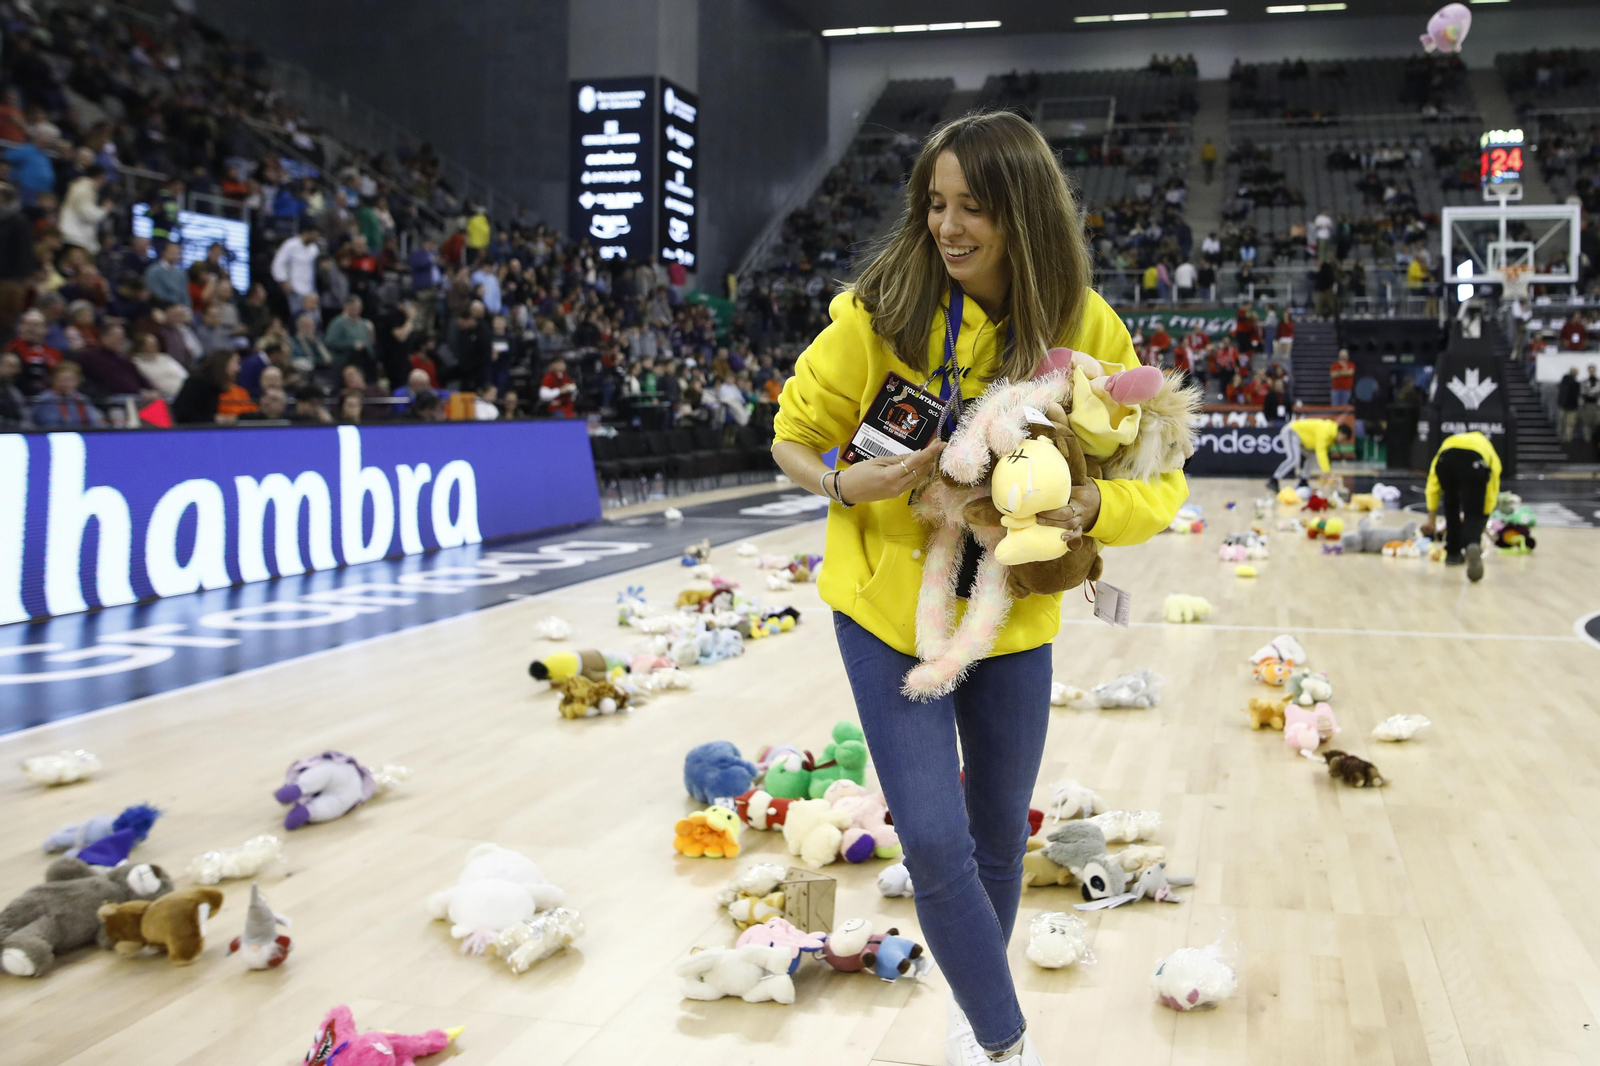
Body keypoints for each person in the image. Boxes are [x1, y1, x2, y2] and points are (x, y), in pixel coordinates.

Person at [769, 112, 1185, 1066]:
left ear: (1026, 215)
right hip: (885, 613)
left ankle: (968, 1015)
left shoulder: (1084, 326)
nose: (948, 228)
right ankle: (1005, 1044)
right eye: (935, 204)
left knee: (1000, 833)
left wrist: (1087, 510)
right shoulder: (878, 310)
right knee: (933, 837)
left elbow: (1161, 479)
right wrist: (839, 481)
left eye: (974, 209)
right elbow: (792, 432)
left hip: (1012, 619)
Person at [1421, 431, 1501, 581]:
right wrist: (1483, 519)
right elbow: (1492, 490)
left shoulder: (1449, 441)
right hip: (1474, 462)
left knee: (1451, 503)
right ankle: (1472, 543)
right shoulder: (1486, 447)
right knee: (1473, 510)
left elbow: (1433, 485)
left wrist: (1431, 520)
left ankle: (1453, 553)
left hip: (1446, 460)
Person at [1267, 416, 1354, 491]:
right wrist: (1326, 472)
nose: (1341, 441)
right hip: (1292, 431)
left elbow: (1326, 456)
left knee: (1311, 456)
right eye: (1343, 439)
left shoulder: (1332, 436)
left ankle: (1304, 481)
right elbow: (1321, 452)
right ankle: (1274, 479)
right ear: (1341, 433)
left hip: (1301, 439)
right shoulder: (1326, 430)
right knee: (1294, 459)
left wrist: (1329, 472)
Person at [171, 350, 241, 425]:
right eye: (235, 363)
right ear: (223, 364)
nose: (238, 368)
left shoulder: (215, 386)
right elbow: (183, 415)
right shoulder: (197, 383)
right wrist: (215, 419)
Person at [5, 308, 62, 395]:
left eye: (36, 325)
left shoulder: (54, 354)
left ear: (46, 329)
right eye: (27, 324)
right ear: (20, 327)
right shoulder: (9, 350)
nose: (31, 329)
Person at [30, 361, 105, 427]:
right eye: (63, 379)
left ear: (78, 381)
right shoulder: (46, 400)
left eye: (71, 379)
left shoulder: (82, 399)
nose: (66, 383)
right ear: (53, 379)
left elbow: (93, 422)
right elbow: (49, 425)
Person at [59, 165, 110, 254]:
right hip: (75, 238)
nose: (104, 182)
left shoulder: (79, 186)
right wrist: (105, 209)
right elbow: (88, 215)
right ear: (99, 177)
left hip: (73, 236)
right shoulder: (84, 188)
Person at [271, 223, 321, 304]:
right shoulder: (290, 245)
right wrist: (283, 280)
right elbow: (278, 264)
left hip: (309, 290)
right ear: (307, 233)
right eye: (314, 235)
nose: (316, 238)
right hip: (293, 288)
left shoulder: (314, 249)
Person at [326, 295, 376, 374]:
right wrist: (352, 345)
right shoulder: (338, 322)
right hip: (345, 363)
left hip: (365, 363)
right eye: (354, 307)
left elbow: (371, 342)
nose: (357, 310)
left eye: (359, 307)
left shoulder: (365, 323)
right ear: (346, 306)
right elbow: (331, 342)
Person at [144, 241, 190, 308]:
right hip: (161, 307)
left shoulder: (181, 273)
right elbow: (155, 293)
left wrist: (187, 308)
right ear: (163, 252)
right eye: (172, 250)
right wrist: (173, 306)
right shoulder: (153, 271)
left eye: (177, 251)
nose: (175, 253)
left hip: (180, 308)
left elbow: (185, 294)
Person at [0, 349, 29, 428]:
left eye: (17, 367)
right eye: (10, 366)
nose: (15, 371)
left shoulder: (14, 392)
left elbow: (25, 416)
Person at [1556, 366, 1581, 441]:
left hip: (1564, 405)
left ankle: (1562, 438)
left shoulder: (1564, 382)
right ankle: (1566, 439)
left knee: (1563, 424)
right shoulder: (1575, 384)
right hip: (1570, 407)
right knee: (1568, 425)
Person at [1580, 364, 1600, 441]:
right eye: (1590, 370)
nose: (1591, 372)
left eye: (1592, 370)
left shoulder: (1598, 382)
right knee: (1586, 424)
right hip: (1587, 405)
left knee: (1597, 423)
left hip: (1597, 406)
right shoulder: (1584, 382)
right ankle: (1587, 441)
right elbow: (1582, 393)